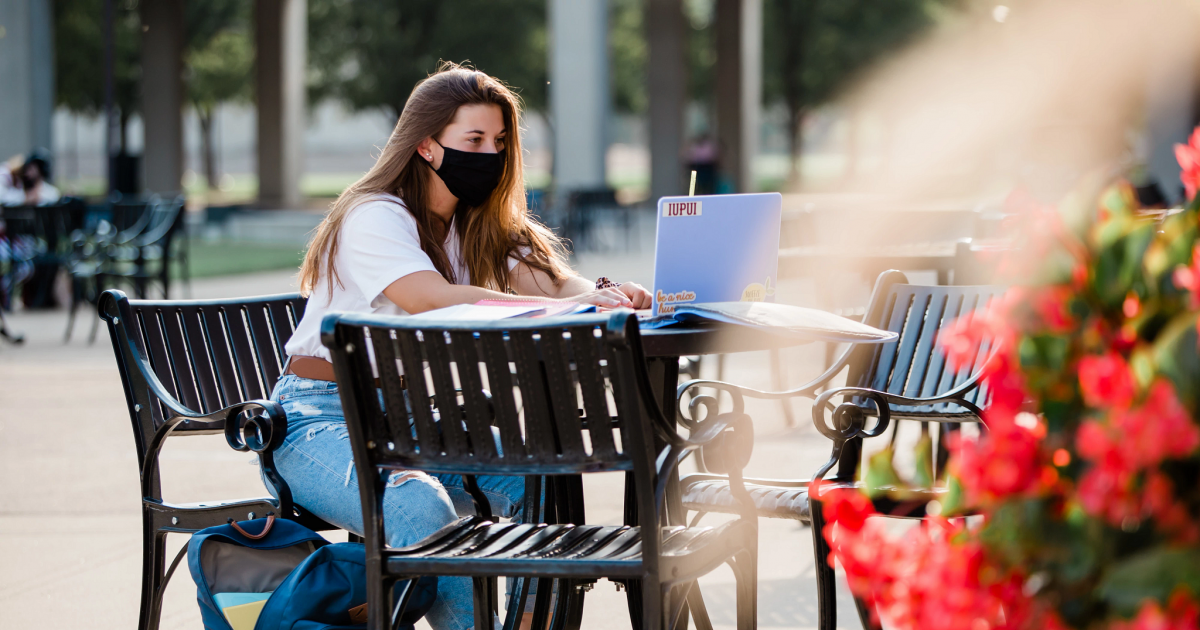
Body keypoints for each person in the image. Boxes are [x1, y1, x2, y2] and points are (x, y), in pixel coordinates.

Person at [267, 63, 652, 630]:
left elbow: (550, 281)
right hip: (318, 421)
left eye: (498, 142)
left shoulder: (480, 225)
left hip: (413, 425)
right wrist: (569, 307)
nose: (489, 153)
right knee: (422, 511)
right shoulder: (375, 215)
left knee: (539, 477)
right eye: (473, 140)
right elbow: (429, 298)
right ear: (425, 145)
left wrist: (605, 293)